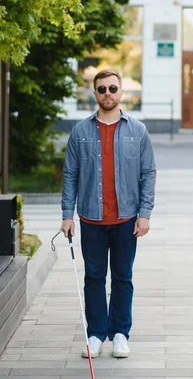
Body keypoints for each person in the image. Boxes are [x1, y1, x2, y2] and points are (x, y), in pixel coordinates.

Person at [60, 69, 156, 359]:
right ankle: (95, 334)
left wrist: (145, 213)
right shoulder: (80, 132)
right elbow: (70, 174)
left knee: (123, 277)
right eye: (102, 89)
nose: (108, 94)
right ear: (95, 94)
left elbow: (148, 173)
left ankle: (119, 334)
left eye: (113, 88)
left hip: (127, 219)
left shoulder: (137, 130)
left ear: (121, 92)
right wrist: (67, 214)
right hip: (91, 219)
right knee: (94, 277)